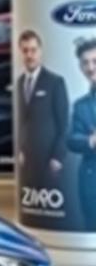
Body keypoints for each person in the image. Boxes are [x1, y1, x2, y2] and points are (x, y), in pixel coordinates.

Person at [16, 29, 68, 195]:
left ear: (40, 51)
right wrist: (19, 150)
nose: (29, 55)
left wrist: (57, 157)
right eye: (25, 51)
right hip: (26, 162)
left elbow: (64, 124)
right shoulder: (19, 83)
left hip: (49, 161)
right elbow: (21, 122)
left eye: (33, 50)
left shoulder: (55, 82)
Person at [67, 37, 96, 230]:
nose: (90, 67)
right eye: (85, 63)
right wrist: (91, 141)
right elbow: (71, 140)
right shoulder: (80, 105)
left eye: (95, 61)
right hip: (91, 181)